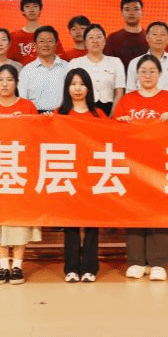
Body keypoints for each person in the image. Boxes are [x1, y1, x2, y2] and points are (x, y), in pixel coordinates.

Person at [114, 54, 168, 281]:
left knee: (160, 212)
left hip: (161, 165)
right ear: (137, 74)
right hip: (133, 166)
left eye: (152, 71)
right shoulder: (127, 101)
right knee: (134, 212)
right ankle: (136, 261)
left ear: (160, 74)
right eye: (143, 71)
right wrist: (121, 124)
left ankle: (158, 262)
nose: (147, 75)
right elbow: (112, 133)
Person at [0, 65, 41, 284]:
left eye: (9, 80)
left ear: (17, 83)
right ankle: (3, 265)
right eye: (0, 80)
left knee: (19, 218)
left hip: (20, 170)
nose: (5, 84)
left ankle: (18, 266)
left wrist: (24, 123)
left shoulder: (27, 106)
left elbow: (37, 137)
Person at [56, 68, 106, 282]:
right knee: (71, 224)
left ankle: (89, 267)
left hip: (92, 176)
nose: (77, 88)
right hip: (68, 175)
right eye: (73, 84)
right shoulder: (59, 113)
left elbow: (109, 141)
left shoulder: (98, 114)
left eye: (82, 84)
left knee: (92, 224)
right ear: (67, 88)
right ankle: (71, 267)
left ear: (89, 88)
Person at [125, 21, 168, 114]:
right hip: (144, 114)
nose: (159, 38)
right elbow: (130, 93)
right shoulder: (135, 63)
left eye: (162, 35)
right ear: (147, 38)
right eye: (155, 34)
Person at [68, 23, 125, 116]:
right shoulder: (75, 63)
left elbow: (119, 92)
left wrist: (112, 115)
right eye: (91, 38)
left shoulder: (116, 62)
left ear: (105, 41)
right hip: (83, 111)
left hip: (110, 110)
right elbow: (69, 91)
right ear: (85, 42)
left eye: (99, 37)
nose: (95, 41)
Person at [17, 26, 69, 112]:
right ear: (35, 44)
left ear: (56, 44)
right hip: (35, 116)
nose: (46, 44)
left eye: (50, 41)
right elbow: (23, 100)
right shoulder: (27, 70)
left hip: (61, 116)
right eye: (41, 41)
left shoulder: (67, 67)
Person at [9, 0, 64, 65]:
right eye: (27, 6)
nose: (31, 10)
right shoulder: (14, 36)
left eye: (35, 6)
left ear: (40, 10)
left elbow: (60, 57)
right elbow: (9, 61)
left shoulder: (50, 34)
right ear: (22, 11)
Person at [103, 0, 148, 68]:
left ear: (142, 12)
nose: (131, 13)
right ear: (122, 13)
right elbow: (107, 67)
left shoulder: (150, 38)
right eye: (127, 9)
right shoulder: (112, 39)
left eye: (136, 9)